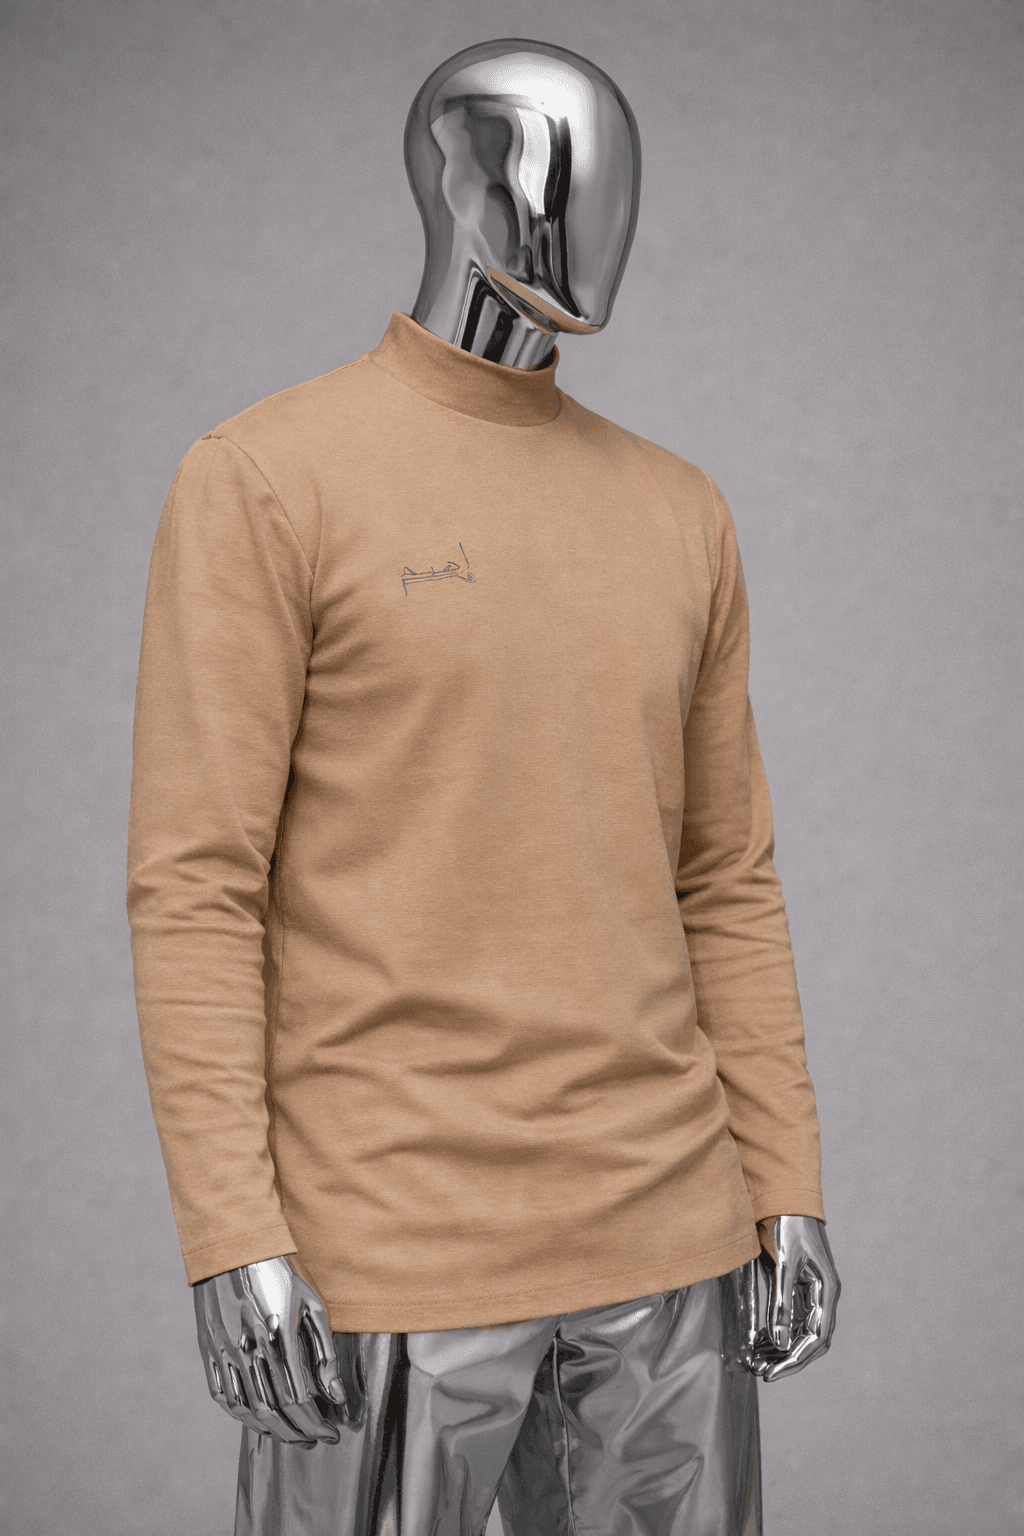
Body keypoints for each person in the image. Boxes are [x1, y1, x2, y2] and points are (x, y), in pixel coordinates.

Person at [127, 37, 840, 1536]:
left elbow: (725, 878)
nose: (592, 218)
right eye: (544, 175)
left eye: (614, 181)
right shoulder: (268, 478)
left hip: (670, 1244)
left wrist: (784, 1182)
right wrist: (230, 1234)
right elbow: (197, 885)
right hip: (391, 1252)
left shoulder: (682, 512)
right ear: (455, 188)